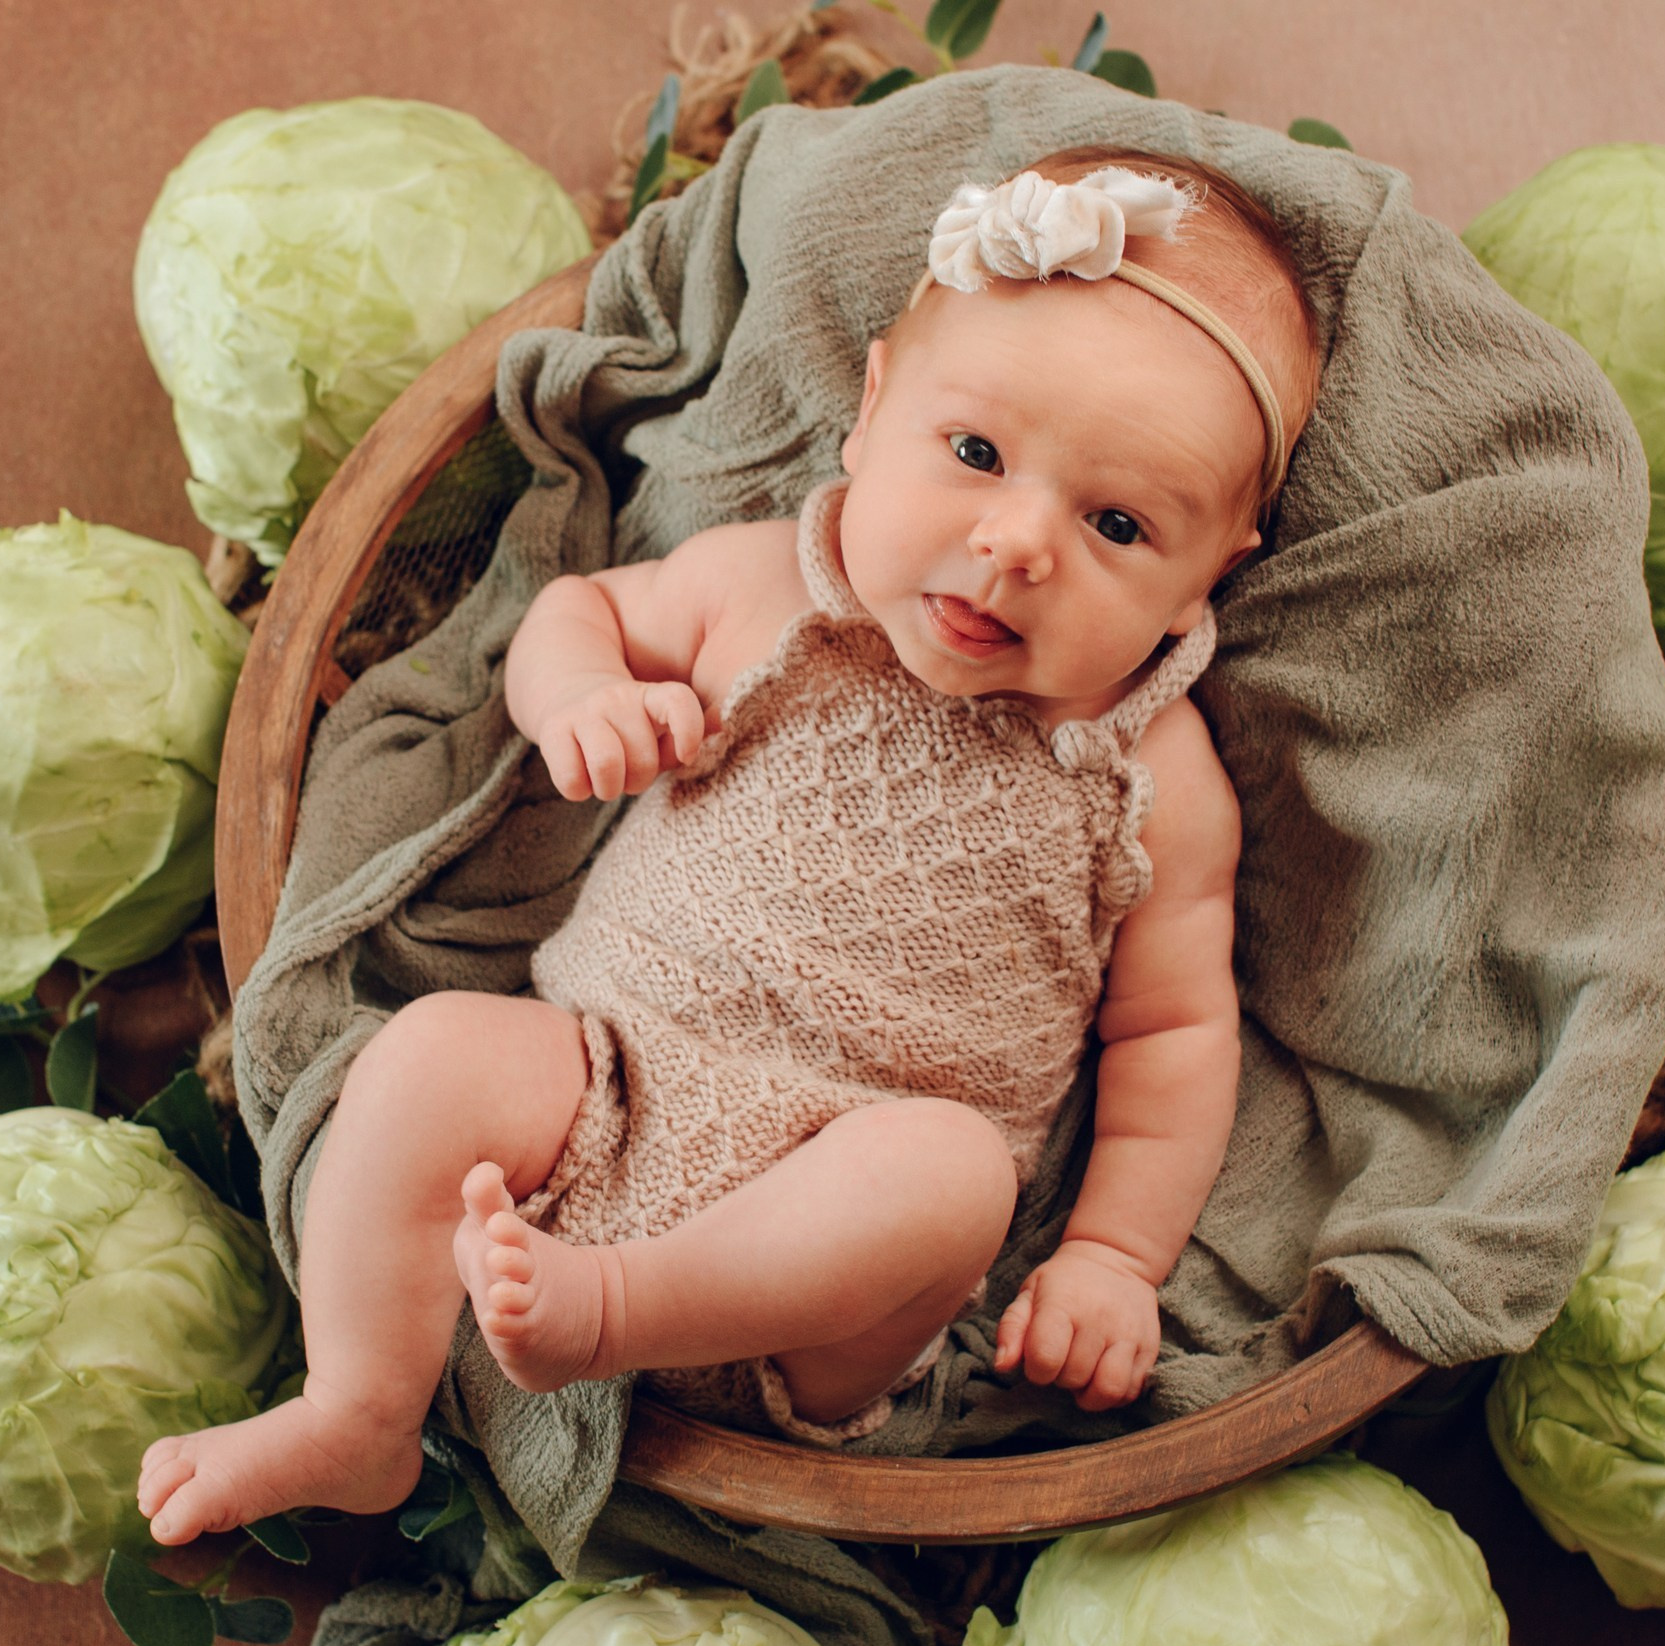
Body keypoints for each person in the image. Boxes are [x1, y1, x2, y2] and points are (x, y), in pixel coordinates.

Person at [139, 144, 1326, 1545]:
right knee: (430, 1059)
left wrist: (1116, 1261)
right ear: (873, 409)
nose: (1014, 545)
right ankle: (358, 1408)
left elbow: (1177, 1036)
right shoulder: (761, 586)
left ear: (1217, 569)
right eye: (977, 454)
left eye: (1119, 523)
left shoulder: (1157, 778)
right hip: (596, 1089)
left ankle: (615, 1313)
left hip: (827, 1260)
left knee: (952, 1182)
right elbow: (575, 613)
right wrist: (584, 695)